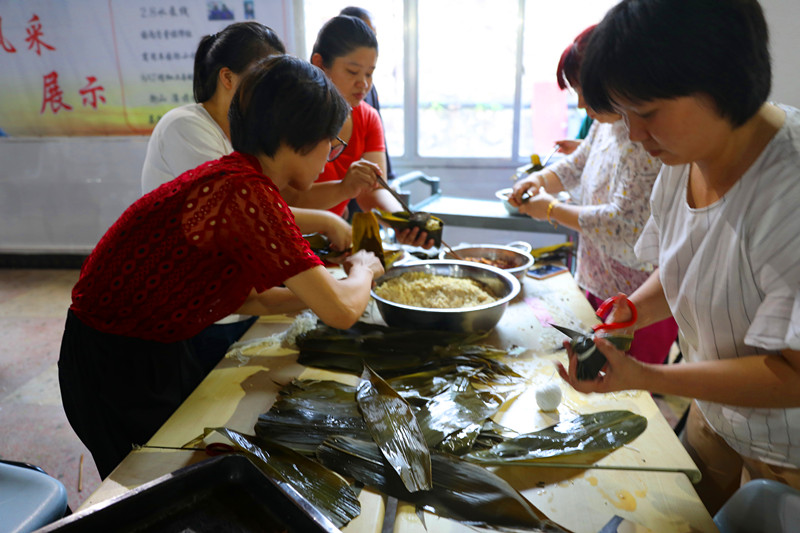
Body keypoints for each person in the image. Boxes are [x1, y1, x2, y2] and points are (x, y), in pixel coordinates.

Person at [58, 55, 385, 479]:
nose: (330, 157)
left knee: (176, 463)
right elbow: (341, 311)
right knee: (144, 480)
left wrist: (321, 292)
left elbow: (253, 300)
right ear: (297, 136)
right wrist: (364, 270)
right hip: (112, 358)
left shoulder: (244, 181)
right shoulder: (246, 194)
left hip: (151, 344)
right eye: (331, 142)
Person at [556, 0, 800, 514]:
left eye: (645, 114)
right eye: (625, 115)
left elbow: (794, 374)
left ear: (720, 78)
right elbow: (681, 269)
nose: (634, 134)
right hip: (717, 416)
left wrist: (649, 377)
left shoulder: (788, 192)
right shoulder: (683, 155)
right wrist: (632, 310)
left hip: (788, 451)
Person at [510, 25, 677, 366]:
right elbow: (578, 163)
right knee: (592, 371)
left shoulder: (645, 136)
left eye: (584, 91)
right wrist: (540, 179)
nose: (581, 103)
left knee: (630, 384)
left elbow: (622, 221)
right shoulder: (605, 122)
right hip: (598, 278)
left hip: (642, 298)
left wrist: (552, 210)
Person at [141, 22, 351, 254]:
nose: (269, 90)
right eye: (261, 78)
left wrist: (344, 193)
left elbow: (282, 198)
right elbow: (242, 208)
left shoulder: (253, 135)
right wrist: (327, 222)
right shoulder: (184, 125)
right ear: (227, 77)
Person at [281, 15, 433, 248]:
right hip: (285, 244)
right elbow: (285, 200)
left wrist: (403, 222)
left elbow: (372, 190)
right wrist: (343, 189)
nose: (363, 83)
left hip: (331, 246)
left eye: (369, 73)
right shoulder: (290, 117)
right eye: (352, 72)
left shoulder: (368, 118)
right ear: (319, 64)